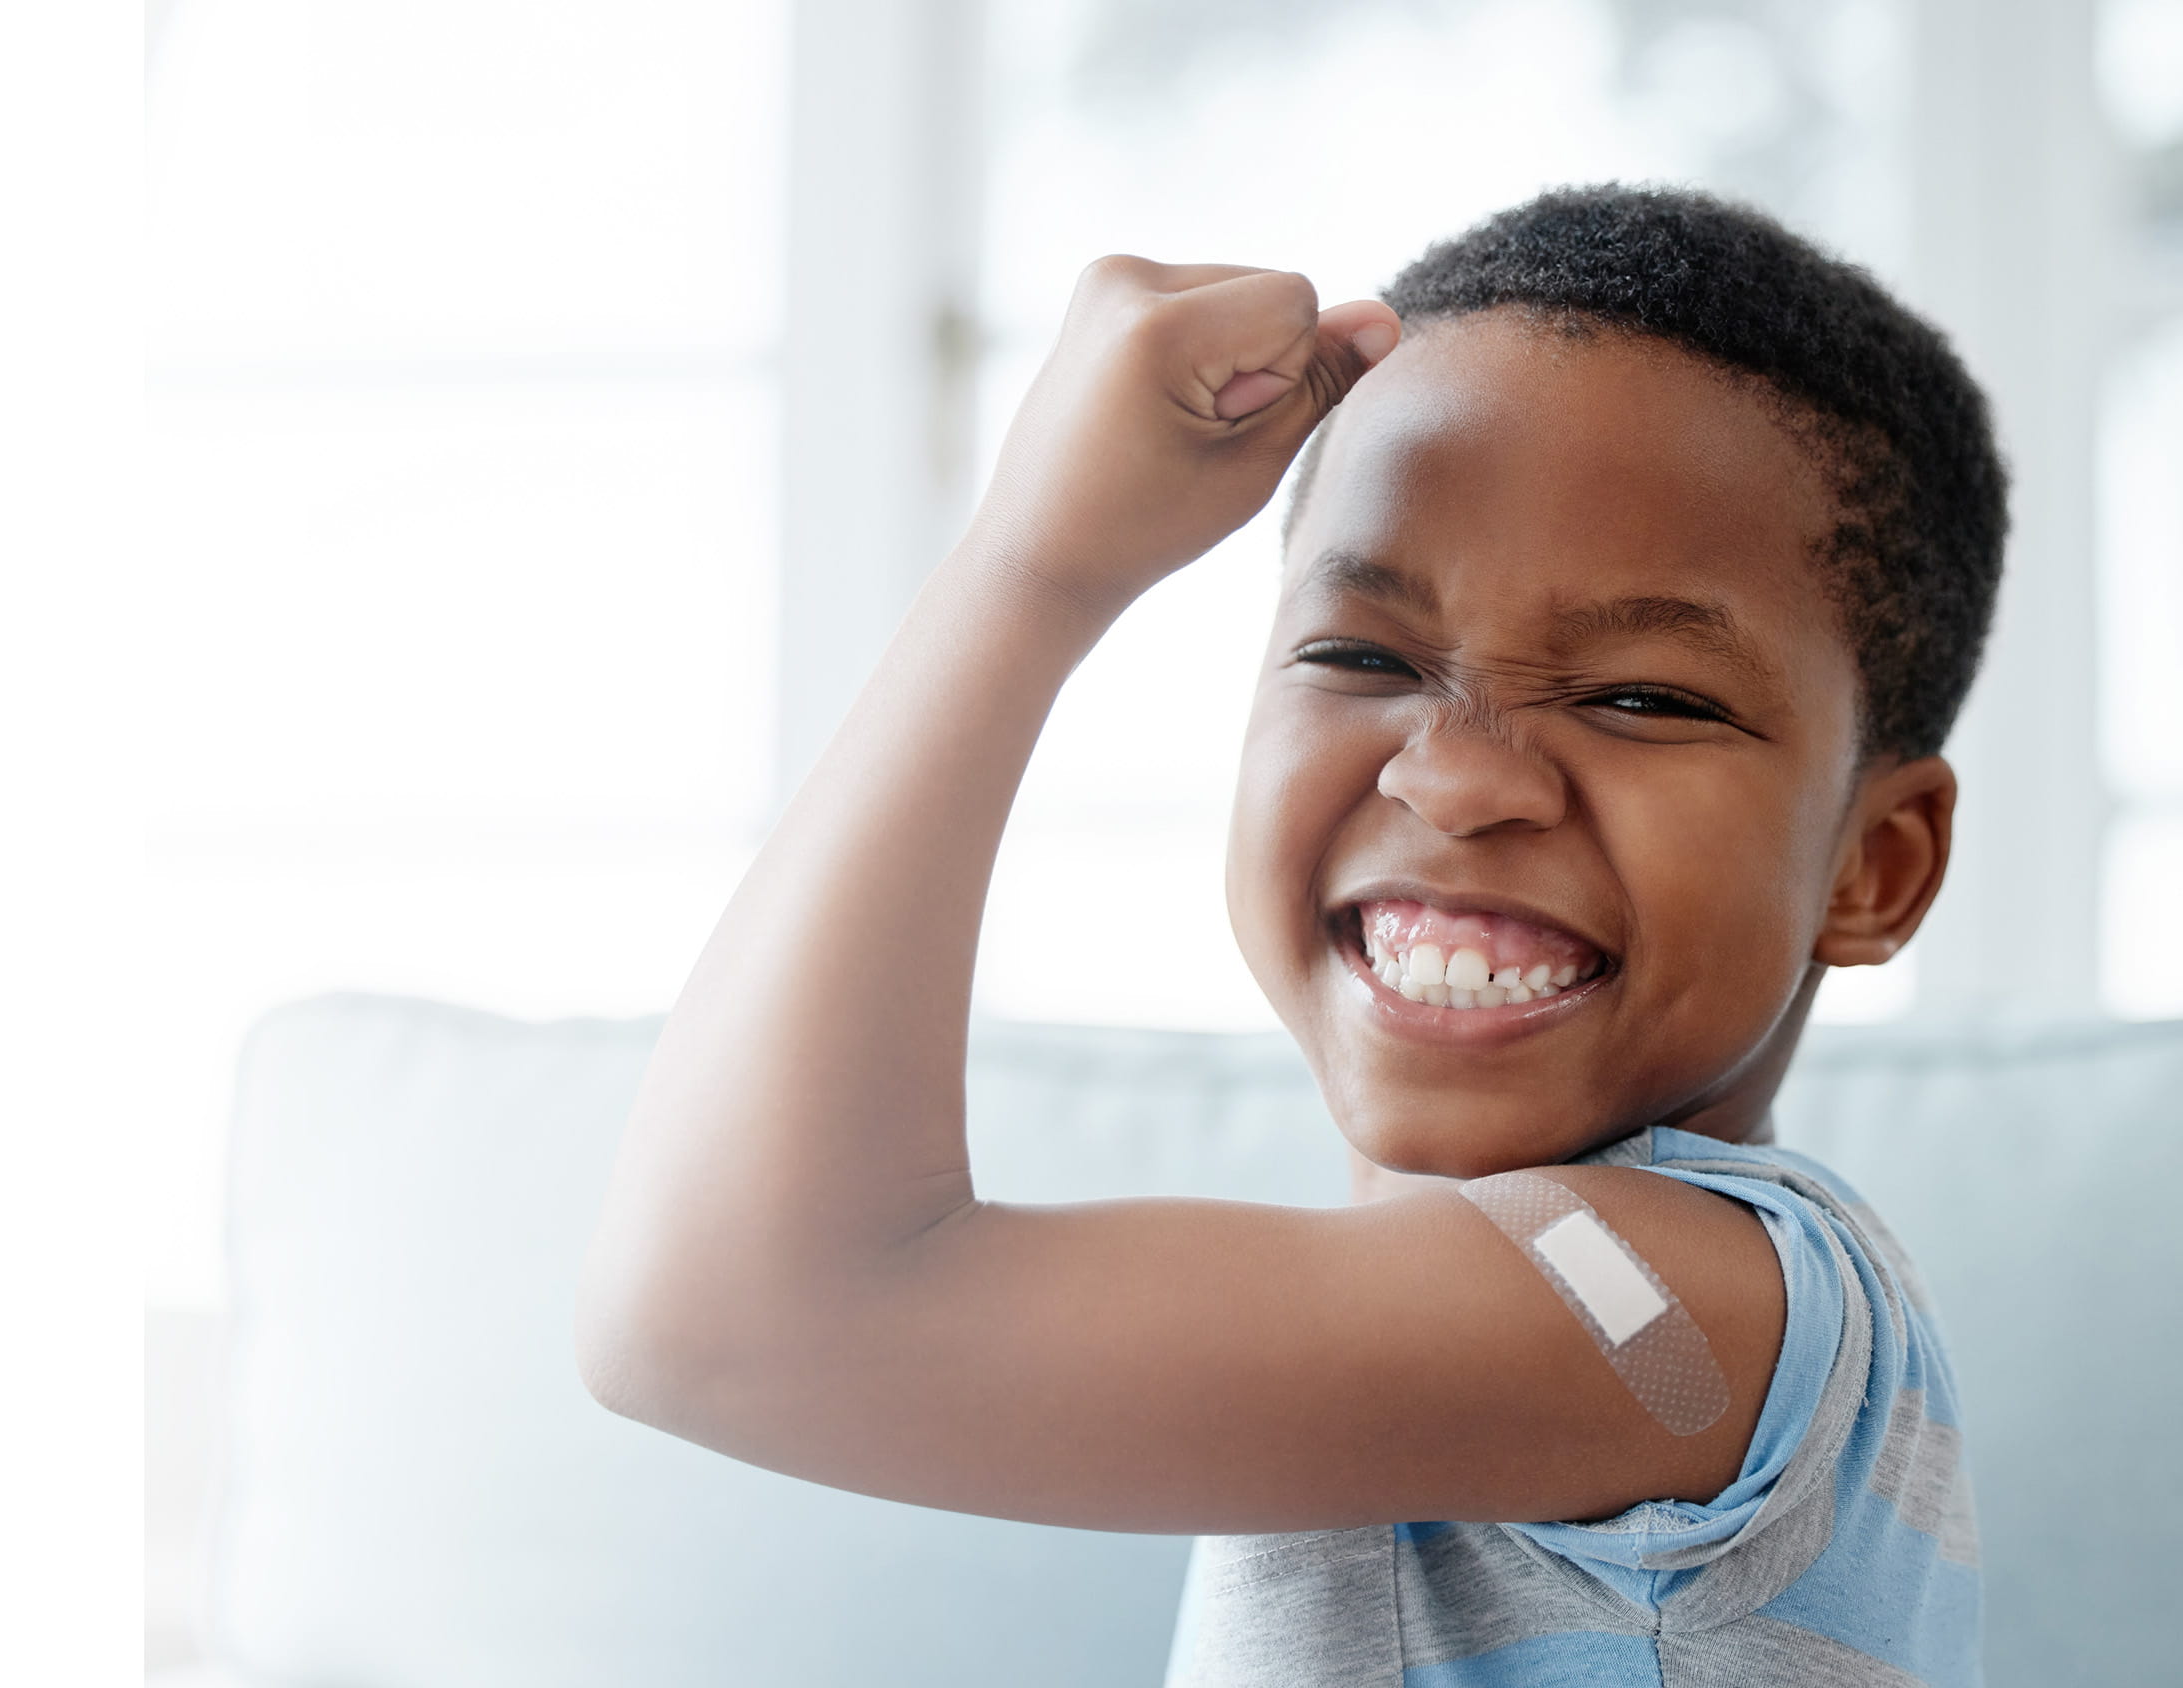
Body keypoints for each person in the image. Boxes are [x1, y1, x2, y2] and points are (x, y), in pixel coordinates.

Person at [575, 184, 2000, 1685]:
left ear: (1874, 866)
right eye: (1361, 654)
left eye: (1643, 696)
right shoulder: (1576, 1321)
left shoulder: (1668, 1309)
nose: (1453, 775)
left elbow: (732, 1320)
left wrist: (1034, 569)